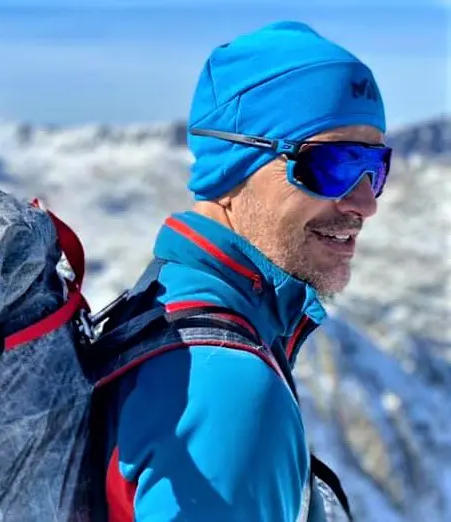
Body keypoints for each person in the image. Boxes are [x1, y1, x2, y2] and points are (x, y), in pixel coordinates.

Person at [101, 20, 390, 521]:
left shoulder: (164, 302)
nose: (366, 203)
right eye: (333, 165)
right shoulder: (230, 391)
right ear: (234, 165)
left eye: (375, 166)